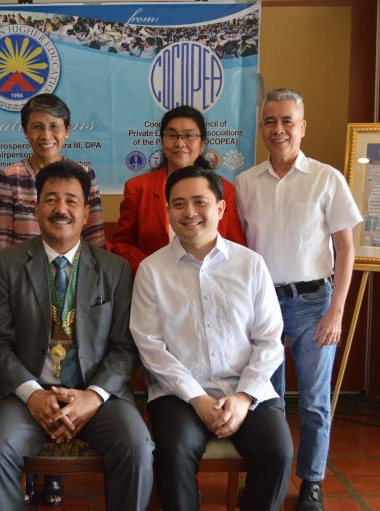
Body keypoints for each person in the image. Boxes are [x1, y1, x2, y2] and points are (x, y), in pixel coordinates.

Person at [0, 161, 154, 511]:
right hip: (26, 394)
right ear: (36, 208)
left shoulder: (114, 269)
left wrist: (92, 396)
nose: (61, 209)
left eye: (72, 201)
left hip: (98, 394)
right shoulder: (9, 264)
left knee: (137, 448)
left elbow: (124, 347)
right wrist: (32, 394)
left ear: (86, 212)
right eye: (51, 199)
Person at [130, 167, 292, 511]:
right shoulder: (152, 270)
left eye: (200, 202)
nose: (189, 212)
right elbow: (150, 345)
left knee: (277, 452)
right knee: (174, 452)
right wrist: (197, 398)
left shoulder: (251, 264)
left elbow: (269, 340)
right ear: (168, 211)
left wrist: (243, 397)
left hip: (247, 388)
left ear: (220, 208)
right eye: (178, 204)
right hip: (178, 393)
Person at [235, 88, 362, 511]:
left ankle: (311, 482)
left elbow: (346, 249)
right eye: (270, 121)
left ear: (302, 127)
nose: (279, 129)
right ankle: (266, 479)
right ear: (261, 128)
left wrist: (336, 312)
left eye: (287, 121)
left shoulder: (327, 178)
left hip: (314, 303)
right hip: (261, 305)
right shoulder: (245, 183)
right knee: (264, 400)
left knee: (313, 402)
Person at [112, 105, 246, 275]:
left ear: (202, 143)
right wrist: (151, 270)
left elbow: (235, 245)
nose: (180, 143)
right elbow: (122, 244)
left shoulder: (224, 188)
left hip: (212, 280)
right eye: (172, 135)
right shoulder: (138, 188)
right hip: (156, 282)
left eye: (189, 135)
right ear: (162, 141)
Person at [0, 93, 105, 272]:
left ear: (67, 130)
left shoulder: (84, 175)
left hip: (75, 275)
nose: (46, 135)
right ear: (25, 131)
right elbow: (0, 242)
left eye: (54, 126)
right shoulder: (9, 178)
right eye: (37, 127)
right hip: (23, 275)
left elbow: (95, 239)